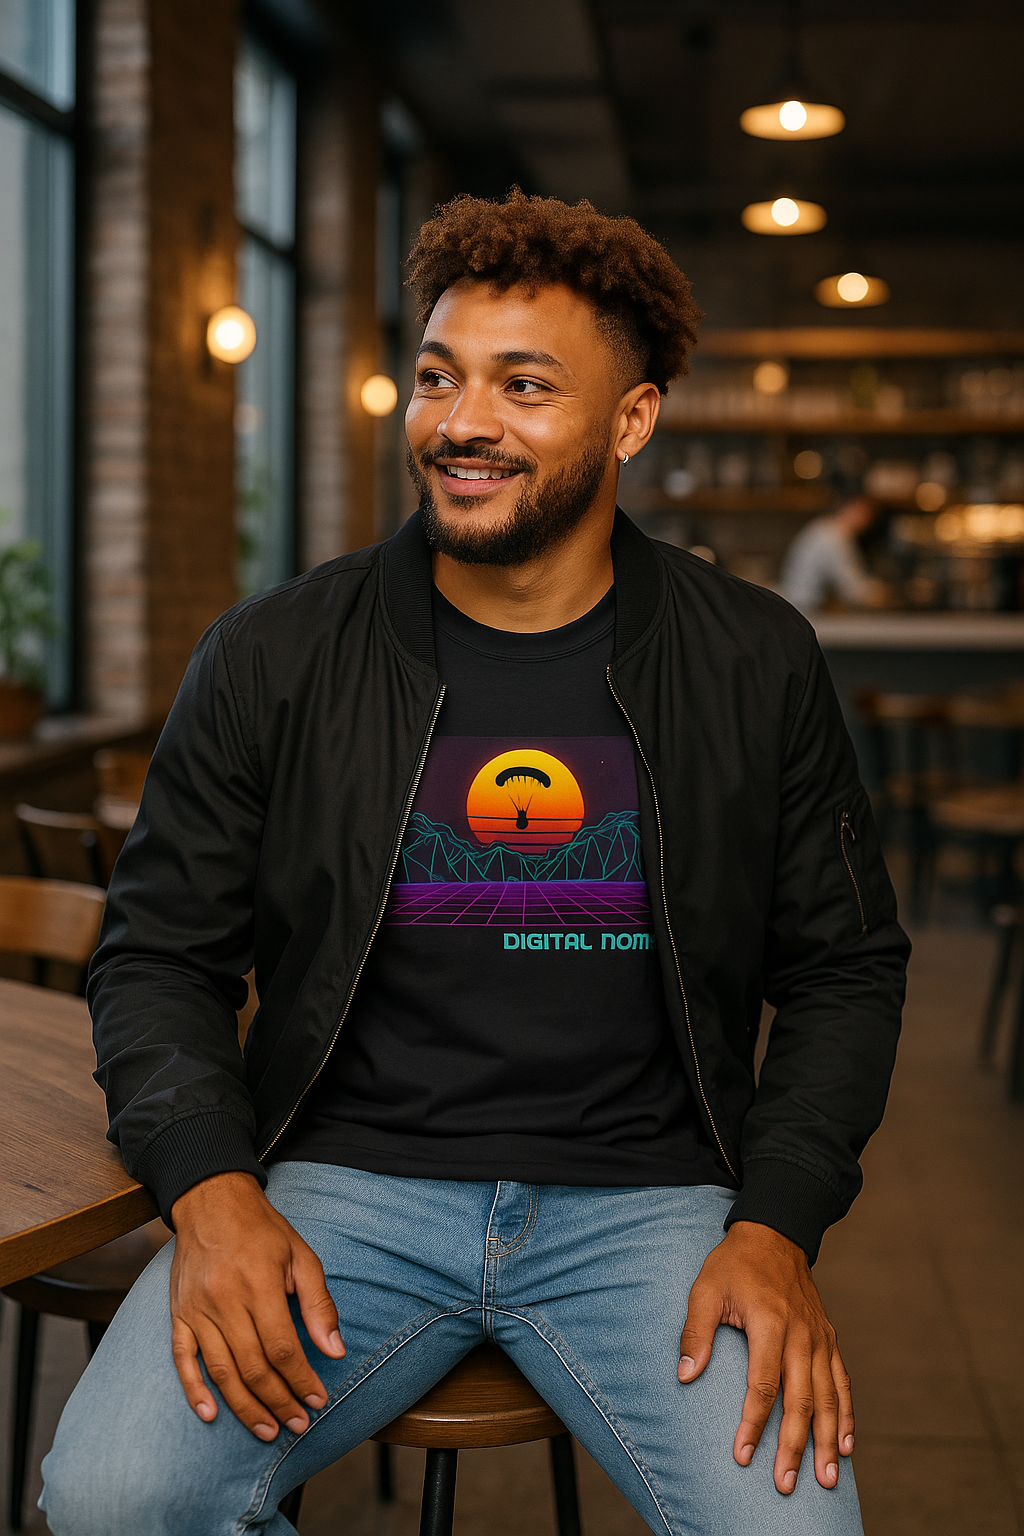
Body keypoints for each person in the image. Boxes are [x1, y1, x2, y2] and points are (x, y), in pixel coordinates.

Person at [41, 191, 908, 1536]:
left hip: (654, 1202)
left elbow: (847, 966)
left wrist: (776, 1227)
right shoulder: (275, 654)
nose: (460, 424)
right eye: (439, 376)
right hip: (344, 1186)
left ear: (631, 421)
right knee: (109, 1496)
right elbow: (157, 952)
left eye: (524, 386)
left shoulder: (755, 657)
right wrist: (212, 1191)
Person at [780, 494, 886, 614]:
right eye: (864, 513)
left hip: (800, 605)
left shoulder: (824, 527)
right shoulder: (834, 536)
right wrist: (882, 593)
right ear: (848, 507)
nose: (868, 521)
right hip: (804, 607)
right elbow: (852, 588)